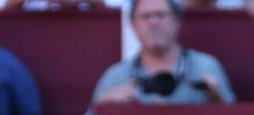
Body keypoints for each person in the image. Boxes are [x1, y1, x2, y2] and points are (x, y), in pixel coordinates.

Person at [92, 0, 235, 105]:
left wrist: (217, 99)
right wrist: (104, 104)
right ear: (133, 25)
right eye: (145, 16)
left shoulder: (205, 67)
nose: (153, 22)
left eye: (160, 15)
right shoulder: (117, 75)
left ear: (177, 21)